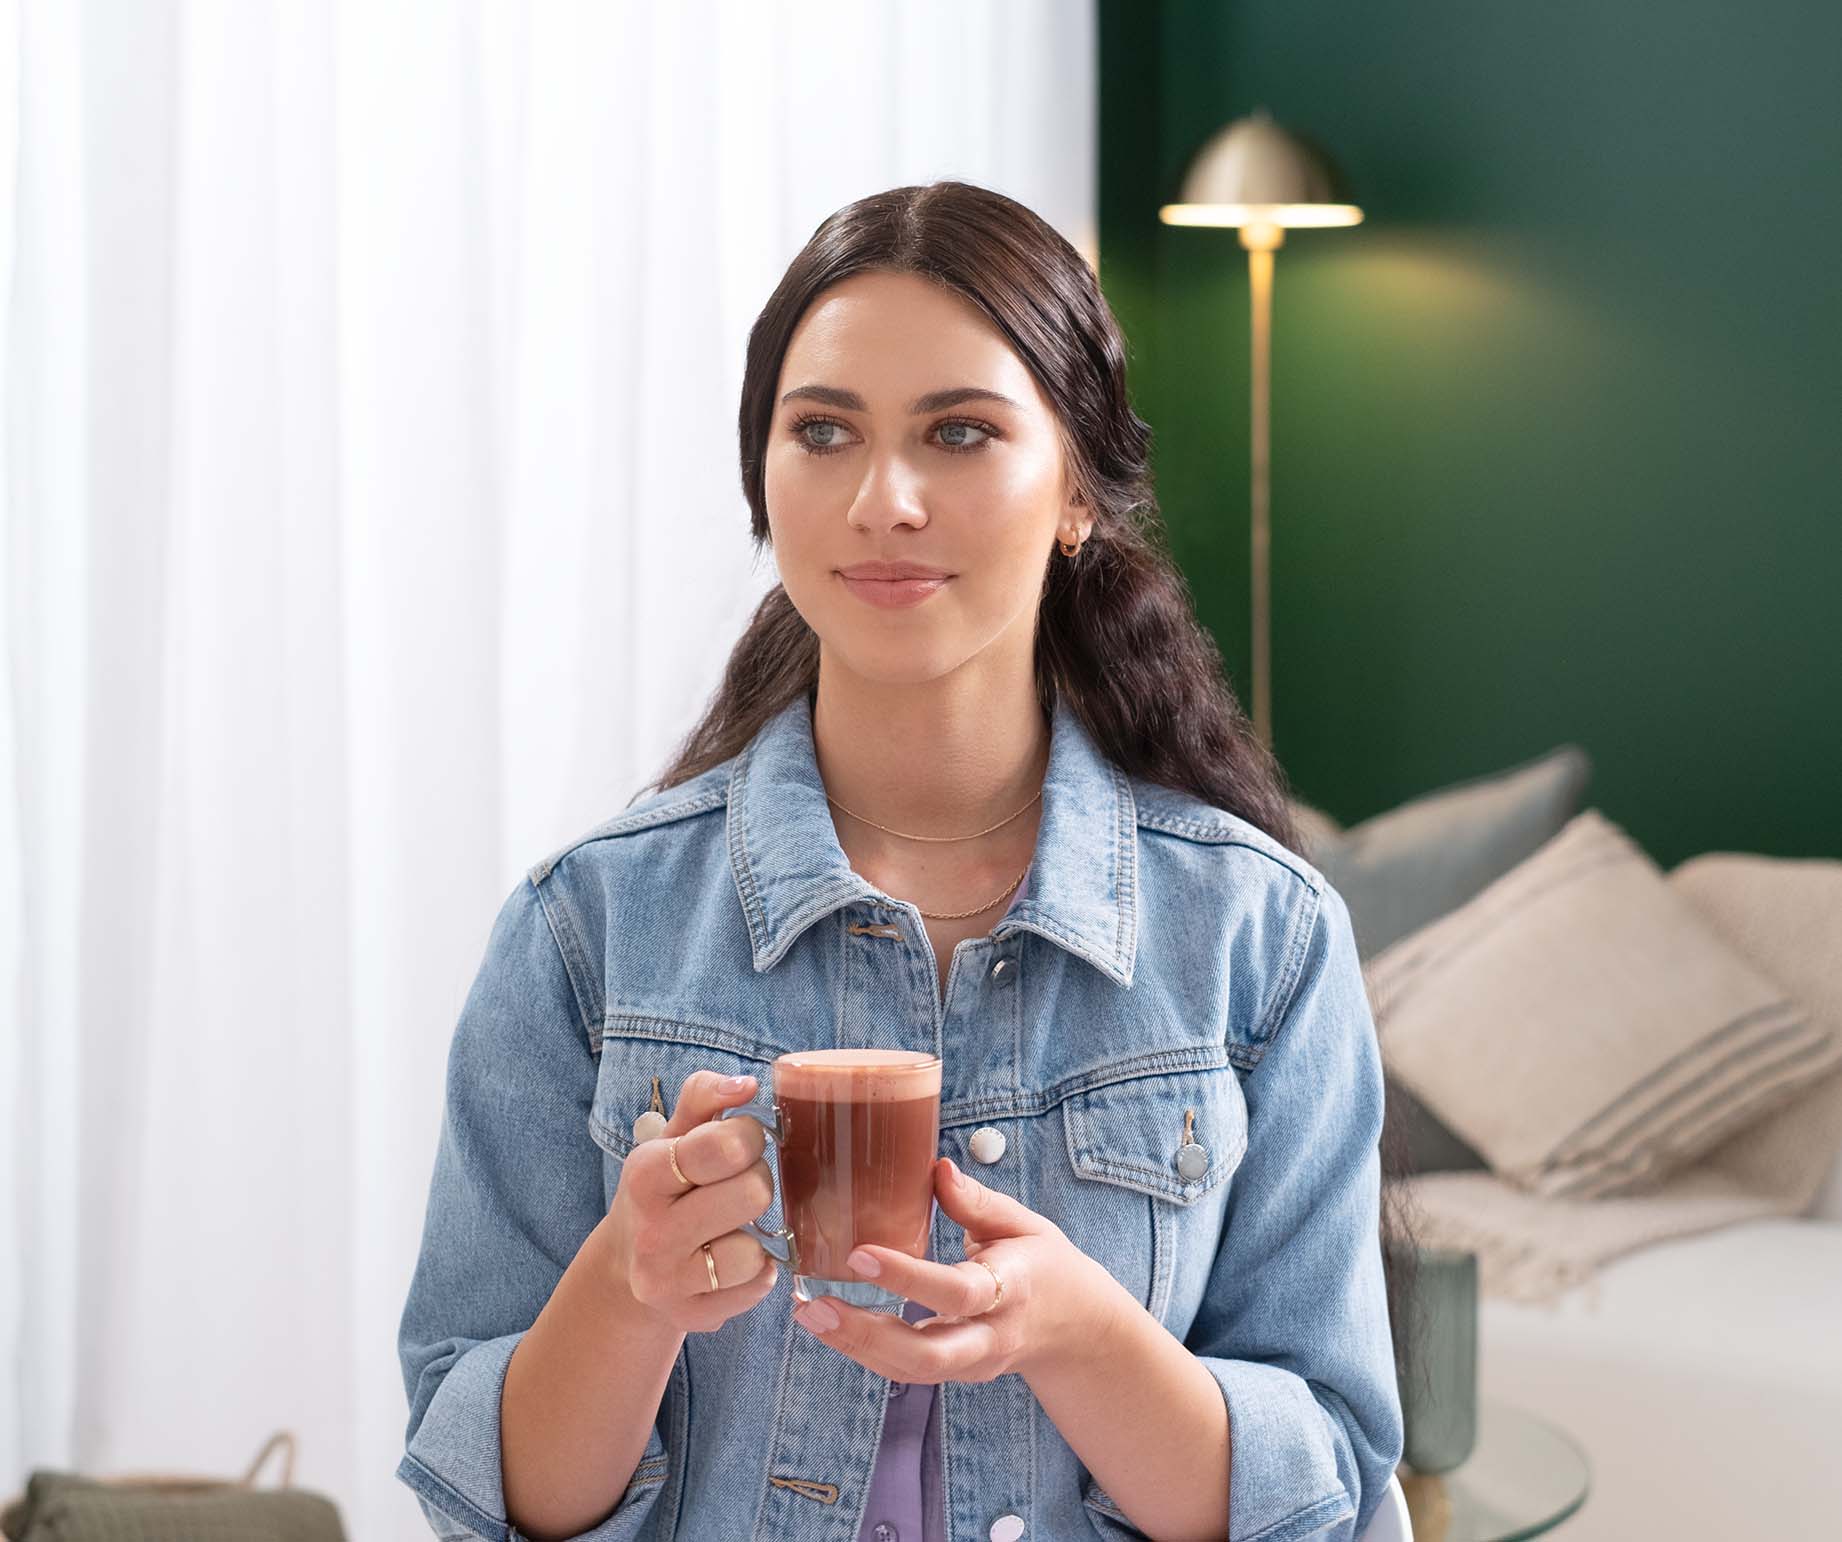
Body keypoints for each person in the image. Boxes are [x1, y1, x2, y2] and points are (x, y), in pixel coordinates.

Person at [396, 179, 1408, 1542]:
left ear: (1077, 496)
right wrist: (628, 1293)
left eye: (960, 431)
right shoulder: (587, 930)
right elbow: (488, 1498)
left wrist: (1079, 1337)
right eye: (822, 432)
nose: (883, 498)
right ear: (764, 480)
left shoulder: (1261, 937)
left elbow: (1329, 1498)